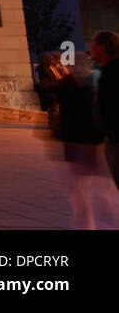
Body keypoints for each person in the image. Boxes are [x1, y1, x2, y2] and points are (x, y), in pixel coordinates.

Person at [39, 51, 115, 229]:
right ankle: (92, 223)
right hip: (84, 142)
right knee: (86, 192)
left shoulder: (88, 82)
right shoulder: (76, 83)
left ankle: (95, 223)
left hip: (88, 142)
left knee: (92, 192)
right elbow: (46, 89)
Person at [91, 30, 119, 194]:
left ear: (103, 47)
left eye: (94, 43)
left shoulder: (113, 72)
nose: (91, 47)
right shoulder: (109, 71)